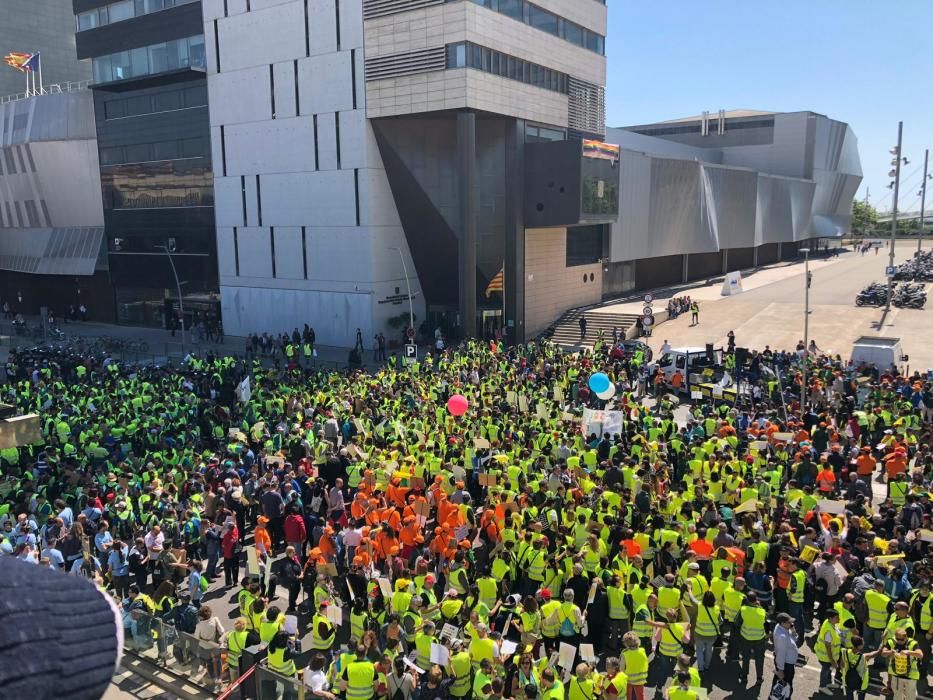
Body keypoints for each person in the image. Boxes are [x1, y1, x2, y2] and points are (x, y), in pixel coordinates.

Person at [771, 613, 800, 695]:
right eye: (789, 622)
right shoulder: (782, 637)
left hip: (787, 663)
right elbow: (781, 654)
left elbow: (794, 639)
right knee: (786, 685)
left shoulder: (782, 627)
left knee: (779, 683)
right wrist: (780, 670)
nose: (792, 624)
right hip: (786, 665)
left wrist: (793, 630)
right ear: (783, 623)